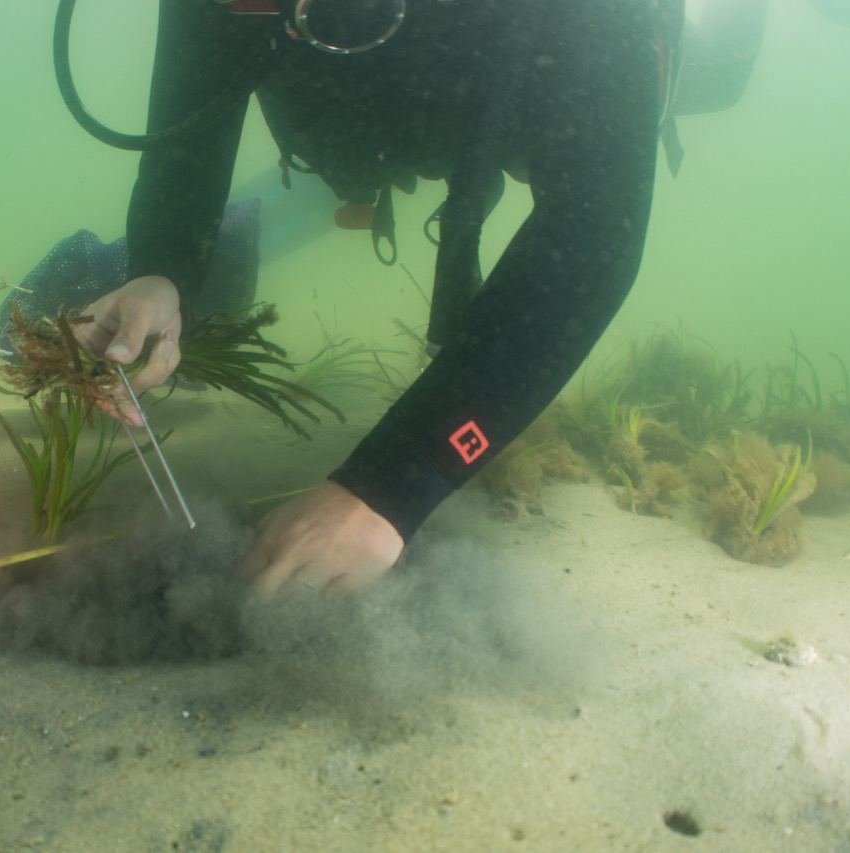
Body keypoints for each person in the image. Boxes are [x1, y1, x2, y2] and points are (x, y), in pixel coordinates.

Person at [71, 0, 681, 594]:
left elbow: (593, 232)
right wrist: (162, 269)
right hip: (360, 125)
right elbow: (190, 128)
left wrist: (394, 483)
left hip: (532, 84)